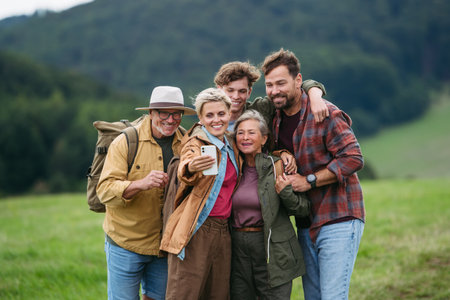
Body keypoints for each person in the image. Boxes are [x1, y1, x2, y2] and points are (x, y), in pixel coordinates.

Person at [260, 48, 366, 300]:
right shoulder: (274, 118)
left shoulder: (323, 112)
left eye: (281, 83)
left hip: (338, 216)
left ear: (298, 81)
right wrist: (280, 154)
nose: (274, 90)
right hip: (305, 223)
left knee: (332, 296)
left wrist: (309, 181)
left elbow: (353, 158)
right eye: (269, 85)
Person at [96, 86, 196, 300]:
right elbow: (104, 191)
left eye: (176, 114)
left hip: (164, 247)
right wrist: (140, 184)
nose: (170, 120)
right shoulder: (125, 141)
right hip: (125, 244)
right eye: (163, 113)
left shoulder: (187, 142)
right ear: (151, 113)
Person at [160, 88, 240, 300]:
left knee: (218, 295)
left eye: (221, 114)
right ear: (201, 119)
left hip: (224, 232)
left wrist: (284, 154)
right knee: (184, 294)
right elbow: (185, 167)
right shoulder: (195, 143)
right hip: (196, 229)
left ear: (229, 114)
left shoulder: (232, 145)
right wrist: (191, 166)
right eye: (209, 115)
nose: (216, 120)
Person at [230, 110, 310, 299]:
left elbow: (303, 209)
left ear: (264, 138)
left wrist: (285, 192)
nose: (245, 137)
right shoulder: (231, 168)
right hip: (237, 248)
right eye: (240, 133)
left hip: (272, 248)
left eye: (251, 132)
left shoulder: (279, 166)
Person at [213, 61, 329, 132]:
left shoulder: (260, 109)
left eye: (242, 91)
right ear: (219, 90)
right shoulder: (210, 119)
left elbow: (299, 86)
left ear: (249, 92)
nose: (236, 96)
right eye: (230, 90)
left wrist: (315, 97)